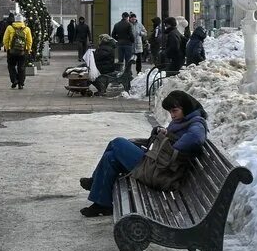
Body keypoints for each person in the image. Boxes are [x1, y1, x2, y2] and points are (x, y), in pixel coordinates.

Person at [78, 91, 208, 216]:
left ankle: (94, 181)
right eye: (170, 112)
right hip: (155, 163)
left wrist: (174, 147)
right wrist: (164, 133)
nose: (172, 115)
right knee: (110, 157)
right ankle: (102, 204)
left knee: (117, 143)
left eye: (175, 111)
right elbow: (176, 136)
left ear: (186, 108)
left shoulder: (197, 123)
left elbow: (196, 137)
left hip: (159, 171)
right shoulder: (183, 120)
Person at [2, 17, 33, 89]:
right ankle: (21, 83)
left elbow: (5, 39)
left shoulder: (9, 28)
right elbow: (29, 41)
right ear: (22, 21)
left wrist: (7, 48)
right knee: (21, 67)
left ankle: (14, 80)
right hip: (22, 51)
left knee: (11, 66)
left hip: (11, 51)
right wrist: (28, 50)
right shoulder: (26, 29)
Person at [111, 12, 135, 79]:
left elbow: (113, 35)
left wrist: (118, 39)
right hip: (128, 44)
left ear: (122, 16)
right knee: (128, 60)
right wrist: (132, 40)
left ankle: (120, 72)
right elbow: (131, 34)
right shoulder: (129, 25)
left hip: (120, 44)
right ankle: (128, 73)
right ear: (127, 17)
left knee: (120, 60)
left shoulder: (117, 25)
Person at [130, 13, 146, 78]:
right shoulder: (128, 25)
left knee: (139, 60)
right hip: (131, 45)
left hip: (138, 45)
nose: (133, 19)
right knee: (129, 60)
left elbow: (145, 33)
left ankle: (139, 71)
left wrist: (140, 33)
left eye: (134, 18)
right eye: (132, 18)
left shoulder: (139, 25)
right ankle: (129, 72)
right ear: (130, 19)